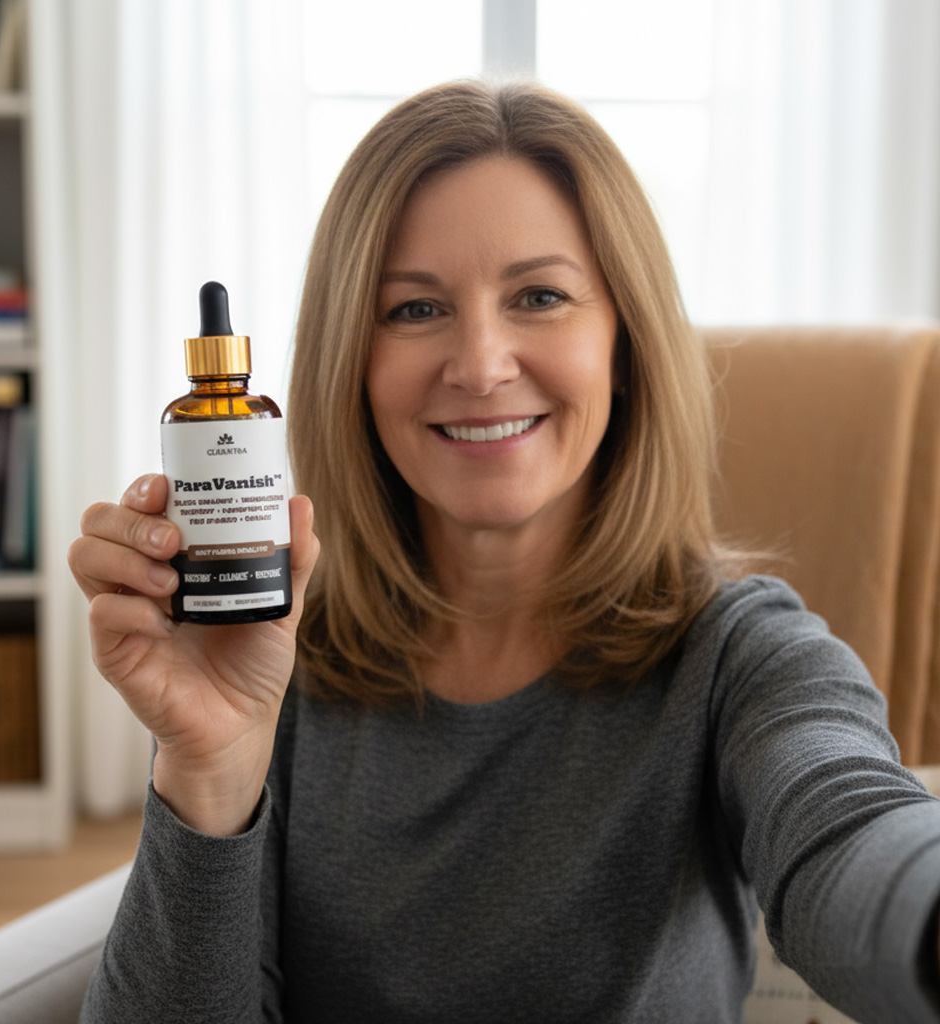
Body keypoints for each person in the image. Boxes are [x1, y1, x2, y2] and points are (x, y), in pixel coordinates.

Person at [69, 79, 940, 1023]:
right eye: (413, 310)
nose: (480, 365)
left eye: (539, 295)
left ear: (625, 344)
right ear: (350, 362)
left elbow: (848, 829)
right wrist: (207, 764)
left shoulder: (741, 656)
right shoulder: (273, 664)